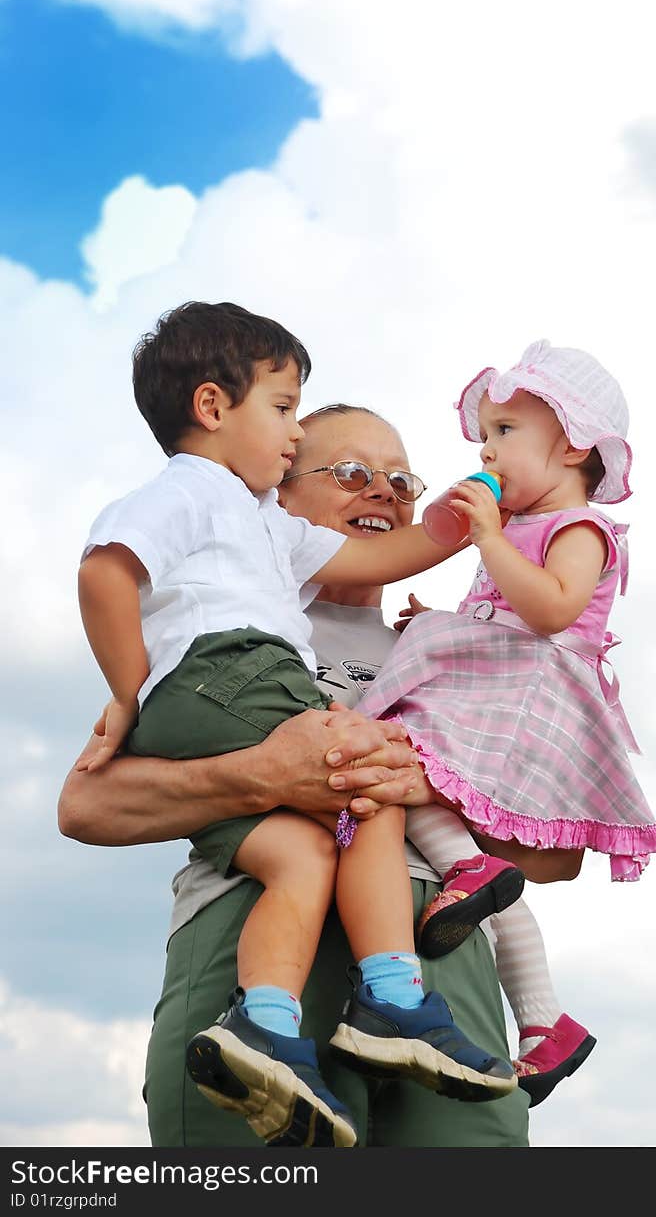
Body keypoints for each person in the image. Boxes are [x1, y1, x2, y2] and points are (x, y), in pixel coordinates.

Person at [75, 303, 516, 1148]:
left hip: (440, 943)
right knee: (354, 770)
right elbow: (84, 805)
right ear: (279, 485)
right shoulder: (220, 562)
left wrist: (486, 500)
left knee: (330, 819)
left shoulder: (446, 647)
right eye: (349, 469)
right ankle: (384, 1000)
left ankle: (284, 1019)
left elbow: (551, 849)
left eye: (403, 476)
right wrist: (143, 700)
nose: (386, 490)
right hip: (239, 916)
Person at [355, 339, 656, 1106]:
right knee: (421, 796)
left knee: (403, 761)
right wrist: (448, 619)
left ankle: (470, 870)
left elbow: (554, 609)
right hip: (502, 683)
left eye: (503, 432)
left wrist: (491, 540)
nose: (486, 449)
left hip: (535, 696)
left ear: (570, 445)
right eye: (485, 434)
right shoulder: (517, 531)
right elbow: (500, 610)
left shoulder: (582, 530)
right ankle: (543, 1023)